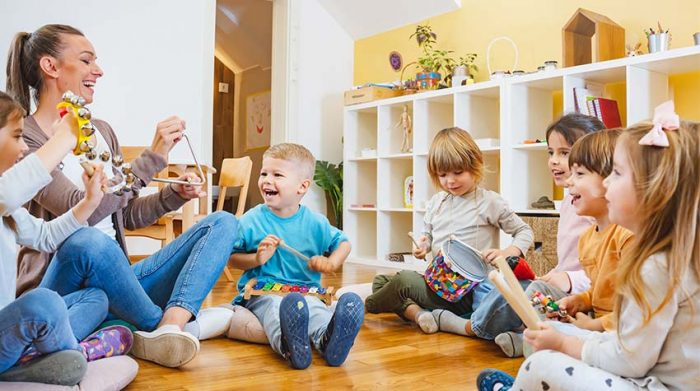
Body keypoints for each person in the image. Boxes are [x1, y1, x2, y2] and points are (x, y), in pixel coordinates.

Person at [6, 24, 238, 368]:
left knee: (222, 223)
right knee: (87, 241)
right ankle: (164, 325)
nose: (98, 70)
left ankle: (169, 327)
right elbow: (81, 209)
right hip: (68, 287)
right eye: (86, 61)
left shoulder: (101, 131)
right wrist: (153, 157)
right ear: (51, 67)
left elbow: (123, 216)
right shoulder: (26, 139)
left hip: (118, 281)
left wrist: (174, 195)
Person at [477, 103, 700, 391]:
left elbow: (630, 361)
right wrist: (565, 336)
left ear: (653, 193)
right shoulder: (672, 257)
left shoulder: (654, 267)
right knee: (549, 331)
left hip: (649, 383)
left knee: (540, 362)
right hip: (643, 370)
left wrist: (565, 343)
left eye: (616, 174)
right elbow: (627, 339)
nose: (607, 183)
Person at [0, 91, 131, 385]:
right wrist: (66, 136)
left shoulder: (7, 210)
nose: (23, 148)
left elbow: (45, 237)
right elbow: (7, 191)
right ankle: (75, 352)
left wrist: (89, 202)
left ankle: (35, 358)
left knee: (95, 297)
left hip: (6, 328)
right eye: (17, 136)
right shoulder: (4, 196)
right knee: (43, 303)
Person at [365, 127, 534, 335]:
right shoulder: (437, 202)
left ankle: (367, 306)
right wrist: (423, 245)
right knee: (381, 281)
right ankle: (420, 315)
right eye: (443, 175)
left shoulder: (489, 202)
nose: (450, 181)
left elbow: (525, 231)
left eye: (458, 172)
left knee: (403, 282)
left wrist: (506, 253)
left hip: (464, 291)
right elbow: (427, 235)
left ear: (475, 165)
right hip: (437, 282)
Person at [229, 143, 364, 369]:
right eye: (264, 173)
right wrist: (257, 259)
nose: (267, 180)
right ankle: (288, 346)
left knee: (317, 310)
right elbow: (231, 258)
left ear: (302, 187)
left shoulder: (316, 222)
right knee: (274, 308)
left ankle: (328, 342)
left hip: (305, 291)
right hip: (262, 290)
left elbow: (344, 244)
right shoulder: (250, 220)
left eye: (277, 175)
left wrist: (331, 262)